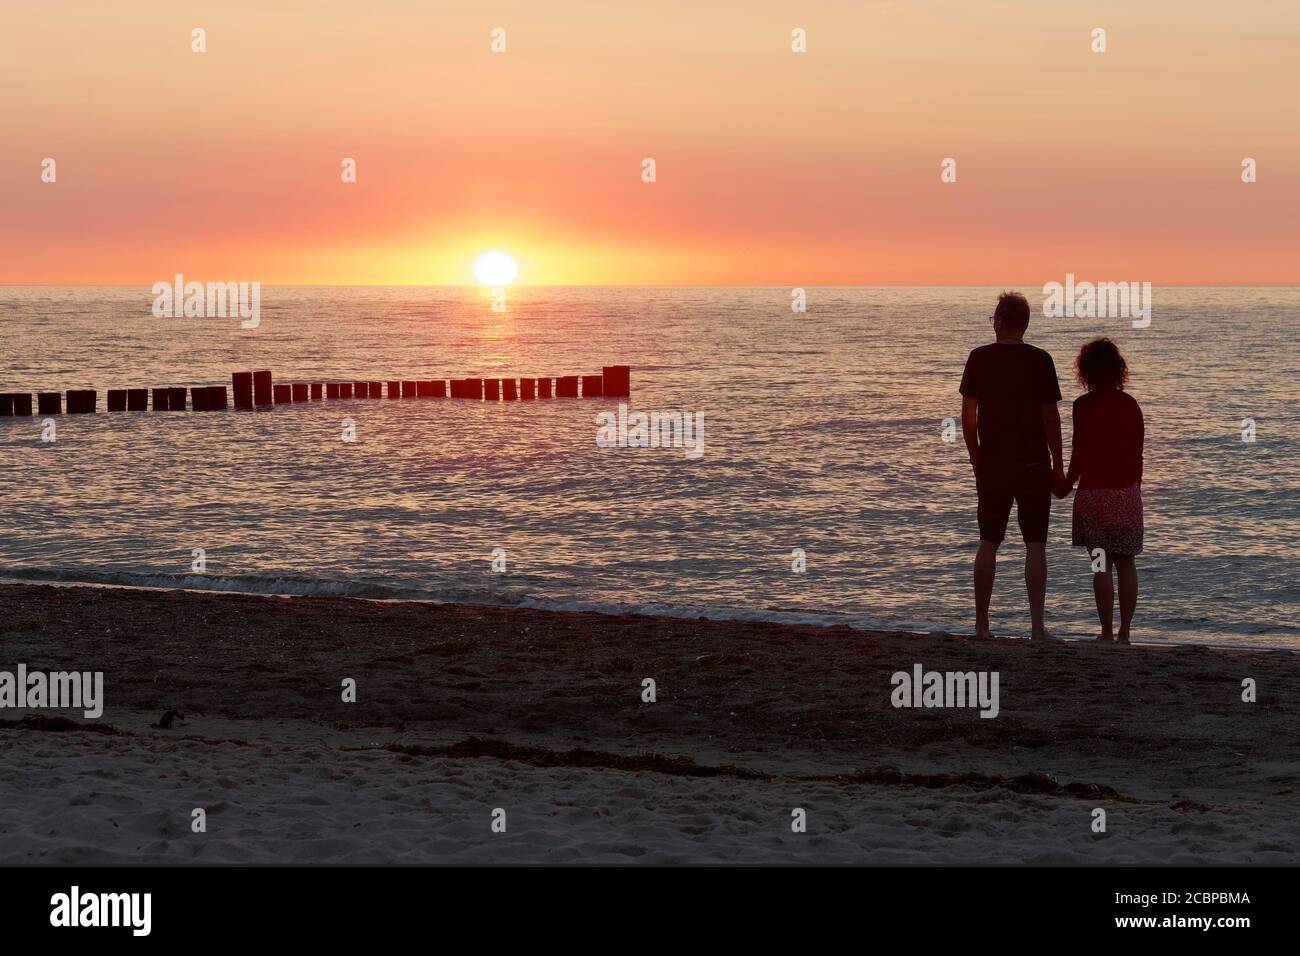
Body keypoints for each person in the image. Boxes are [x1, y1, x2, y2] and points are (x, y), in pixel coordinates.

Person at [959, 291, 1065, 641]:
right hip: (1034, 462)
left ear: (1000, 320)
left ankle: (981, 625)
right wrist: (1058, 465)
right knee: (1035, 544)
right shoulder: (1041, 360)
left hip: (993, 462)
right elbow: (1051, 419)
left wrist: (976, 456)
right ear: (1026, 323)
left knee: (988, 541)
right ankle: (1037, 627)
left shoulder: (979, 358)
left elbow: (968, 415)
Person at [1057, 338, 1144, 644]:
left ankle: (1106, 632)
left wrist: (1065, 487)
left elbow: (1078, 455)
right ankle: (1125, 633)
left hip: (1093, 492)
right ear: (1118, 369)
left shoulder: (1083, 406)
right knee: (1127, 563)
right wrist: (1134, 491)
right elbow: (1138, 454)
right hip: (1126, 492)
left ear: (1086, 371)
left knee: (1100, 564)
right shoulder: (1130, 404)